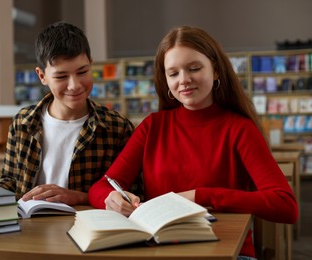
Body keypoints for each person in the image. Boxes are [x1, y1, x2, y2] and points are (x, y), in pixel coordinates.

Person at [88, 26, 298, 258]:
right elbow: (102, 186)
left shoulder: (239, 128)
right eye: (173, 73)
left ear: (216, 70)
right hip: (162, 252)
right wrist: (112, 199)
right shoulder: (152, 126)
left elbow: (285, 205)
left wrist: (199, 196)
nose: (184, 80)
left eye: (194, 68)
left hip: (227, 252)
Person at [0, 21, 135, 206]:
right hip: (30, 231)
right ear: (42, 76)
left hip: (87, 230)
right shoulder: (22, 123)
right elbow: (11, 184)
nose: (74, 85)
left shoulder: (117, 128)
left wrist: (79, 197)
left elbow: (131, 195)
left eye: (83, 71)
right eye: (61, 76)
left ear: (91, 64)